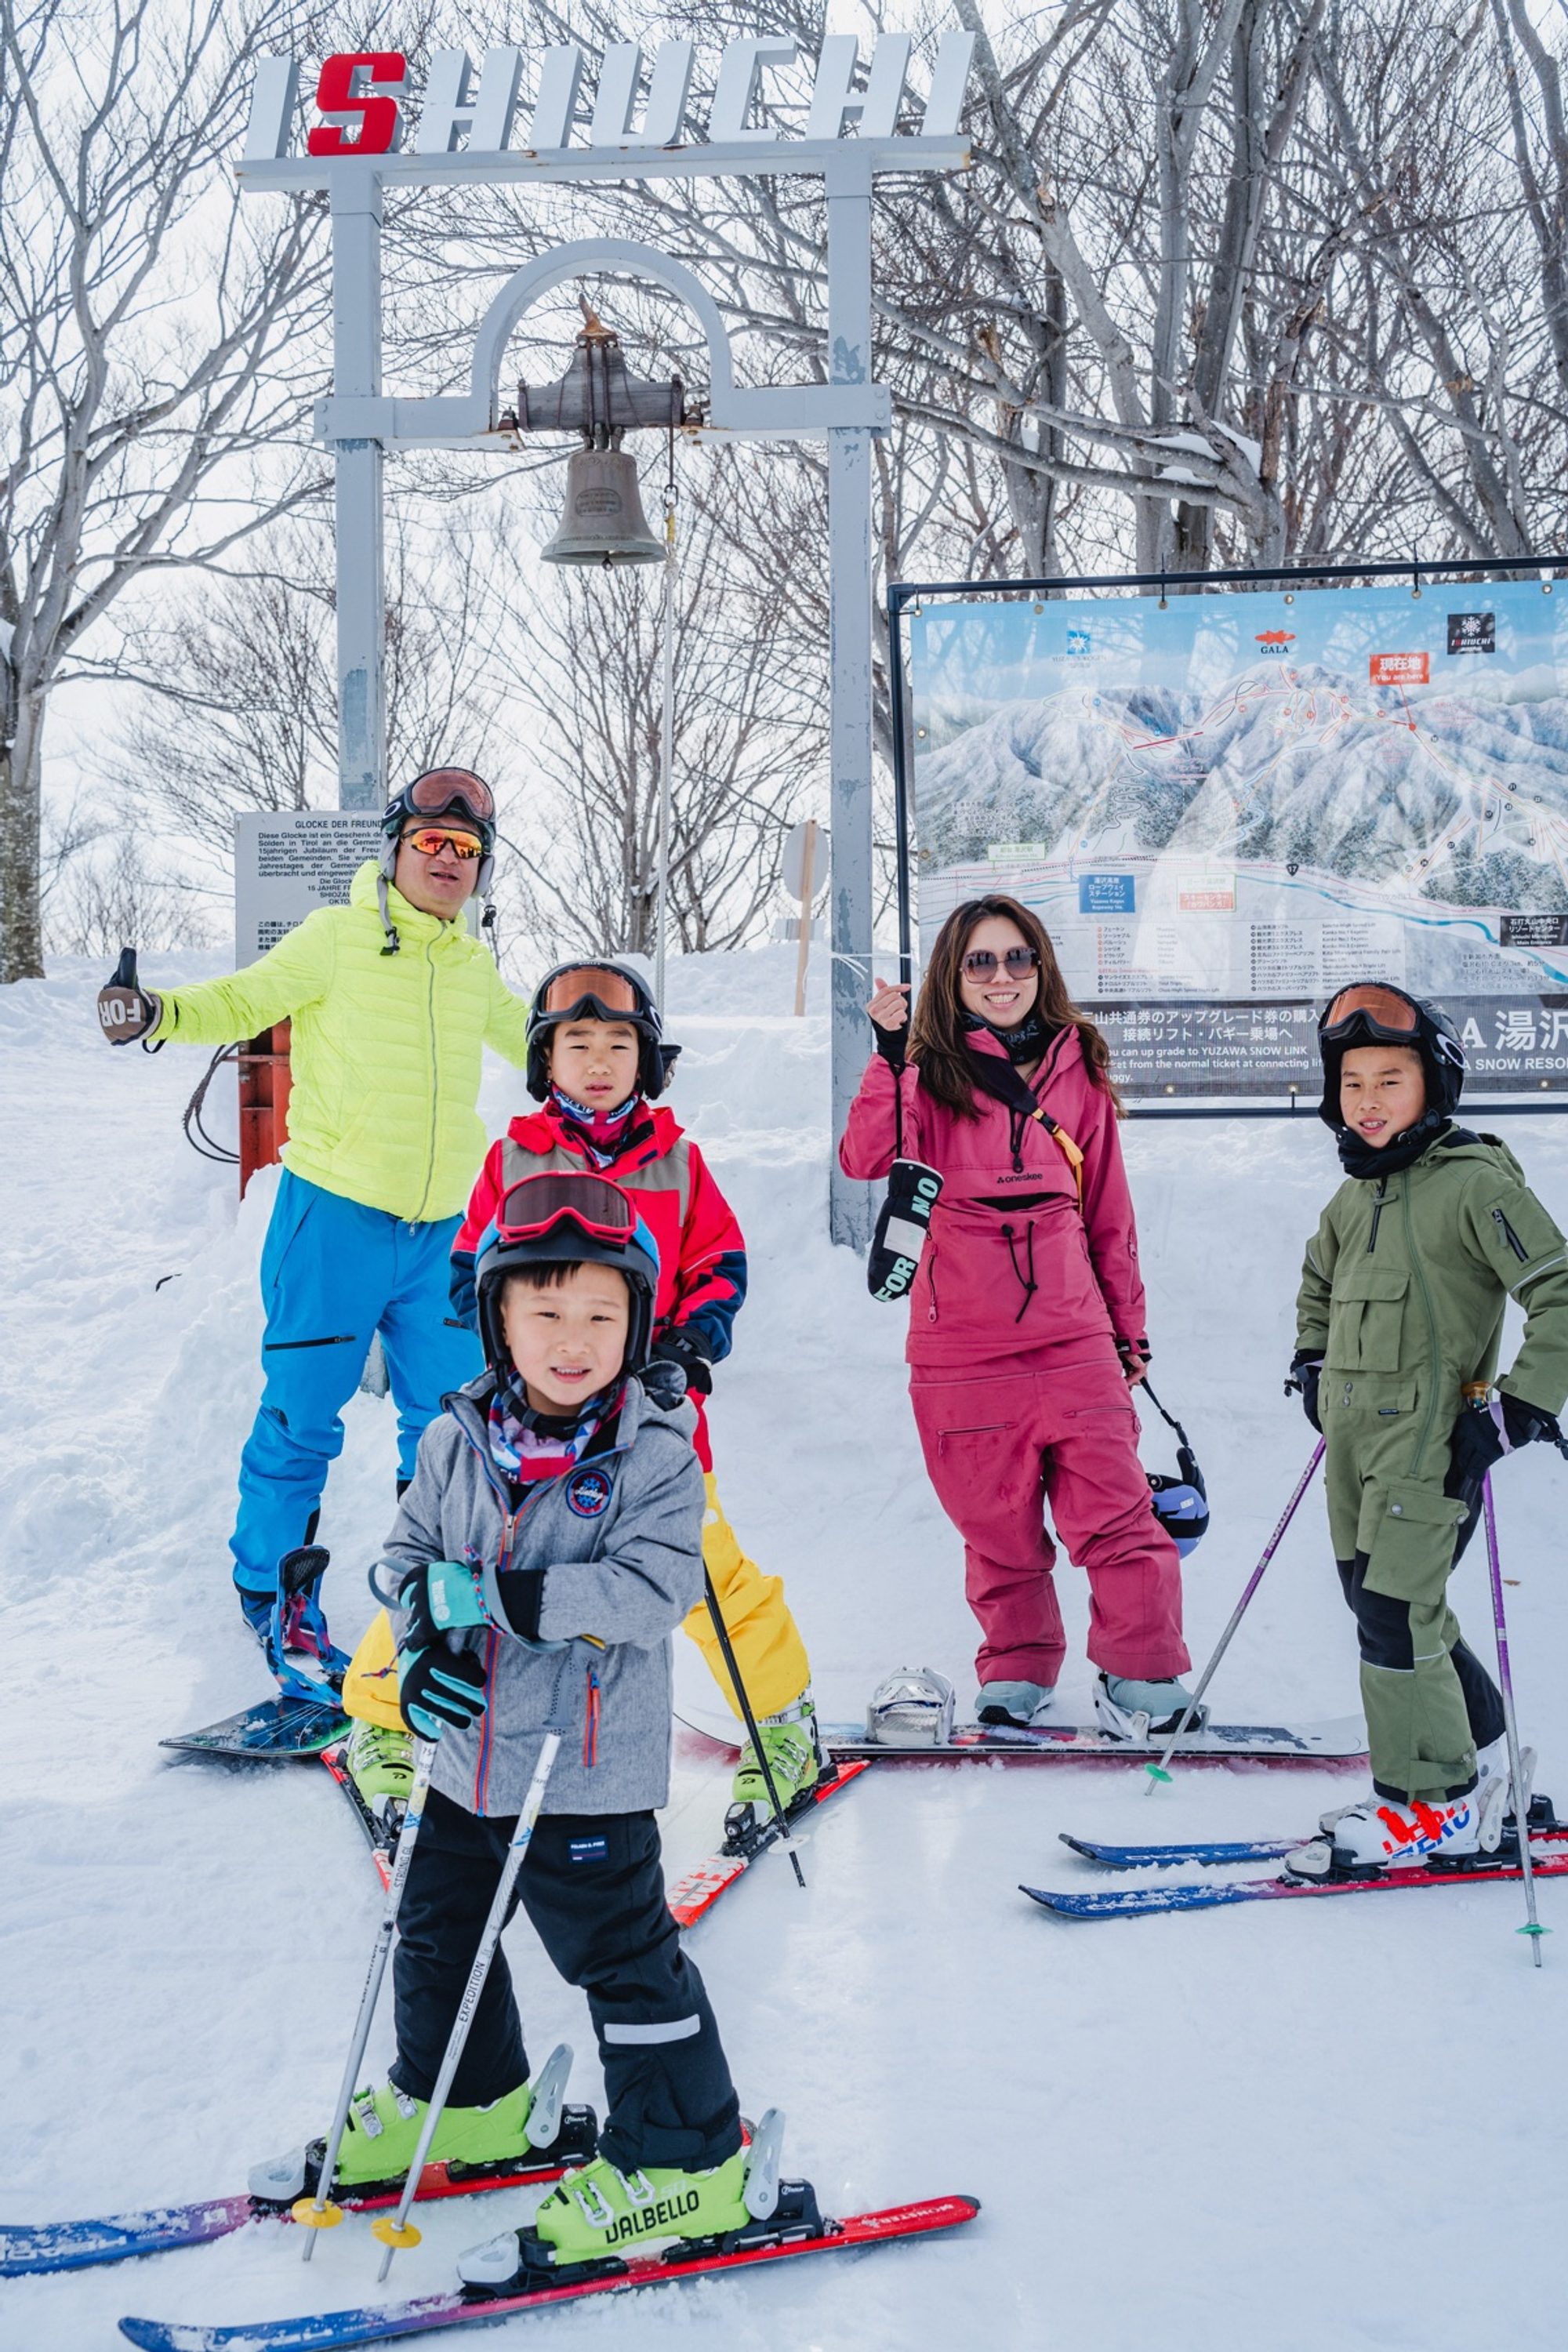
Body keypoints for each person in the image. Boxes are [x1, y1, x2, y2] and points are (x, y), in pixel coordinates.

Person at [252, 1172, 777, 2284]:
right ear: (497, 1317)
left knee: (618, 1958)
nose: (572, 1341)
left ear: (637, 1323)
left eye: (600, 1314)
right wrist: (423, 1640)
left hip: (581, 1769)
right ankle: (470, 2102)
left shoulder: (655, 1453)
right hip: (464, 1760)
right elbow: (405, 1556)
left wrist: (493, 1599)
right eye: (544, 1312)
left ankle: (687, 2157)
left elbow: (655, 1590)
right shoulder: (457, 1438)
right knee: (436, 1932)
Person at [339, 960, 820, 1833]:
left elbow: (720, 1265)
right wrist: (505, 1341)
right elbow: (470, 1268)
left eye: (618, 1046)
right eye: (577, 1045)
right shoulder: (513, 1159)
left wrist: (685, 1348)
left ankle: (781, 1721)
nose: (598, 1063)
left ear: (648, 1062)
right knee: (457, 1560)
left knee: (704, 1572)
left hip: (649, 1427)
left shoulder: (678, 1164)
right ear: (545, 1060)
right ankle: (380, 1714)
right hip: (523, 1428)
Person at [95, 769, 532, 1689]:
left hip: (443, 1235)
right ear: (395, 848)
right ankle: (272, 1592)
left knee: (453, 1426)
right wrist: (158, 1012)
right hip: (333, 1217)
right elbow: (244, 1001)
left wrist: (615, 1042)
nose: (447, 860)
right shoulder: (335, 937)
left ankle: (434, 1590)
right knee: (302, 1417)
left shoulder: (471, 966)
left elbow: (536, 1041)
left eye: (466, 849)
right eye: (430, 842)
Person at [839, 894, 1196, 1737]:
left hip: (1074, 1337)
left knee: (1116, 1510)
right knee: (994, 1524)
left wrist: (1128, 1329)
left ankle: (1142, 1669)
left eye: (1017, 958)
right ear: (951, 975)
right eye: (980, 961)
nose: (1001, 977)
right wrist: (890, 1057)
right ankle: (1018, 1665)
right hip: (960, 1349)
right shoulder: (924, 1068)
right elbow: (867, 1156)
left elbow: (1107, 1210)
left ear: (1040, 966)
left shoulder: (1079, 1068)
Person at [1284, 982, 1568, 1874]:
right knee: (1392, 1611)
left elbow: (1558, 1288)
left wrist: (1522, 1405)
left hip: (1429, 1446)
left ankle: (1428, 1806)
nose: (1366, 1100)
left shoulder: (1473, 1186)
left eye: (1390, 1080)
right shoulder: (1355, 1197)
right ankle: (1484, 1770)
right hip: (1352, 1446)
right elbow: (1319, 1281)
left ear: (1432, 1087)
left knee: (1394, 1617)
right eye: (1352, 1082)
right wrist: (1311, 1357)